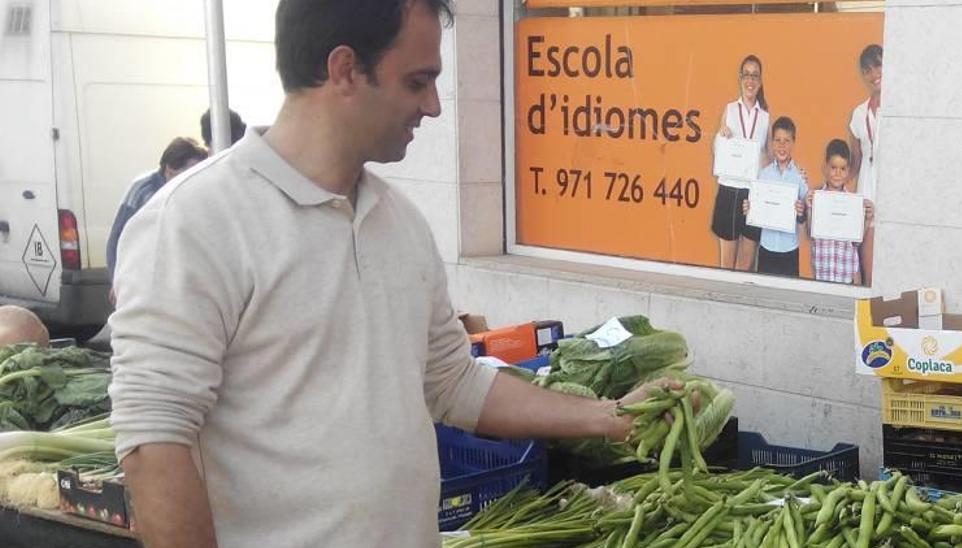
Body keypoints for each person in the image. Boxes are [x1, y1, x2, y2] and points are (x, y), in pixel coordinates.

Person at [107, 2, 670, 548]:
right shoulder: (194, 222)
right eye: (417, 82)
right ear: (345, 70)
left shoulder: (400, 223)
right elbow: (153, 441)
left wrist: (614, 417)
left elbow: (454, 382)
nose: (433, 108)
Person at [104, 137, 209, 279]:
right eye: (189, 174)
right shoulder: (142, 190)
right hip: (142, 275)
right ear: (169, 170)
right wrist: (117, 280)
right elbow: (117, 239)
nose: (194, 179)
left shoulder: (197, 190)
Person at [711, 55, 771, 272]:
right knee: (726, 267)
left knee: (745, 266)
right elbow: (717, 150)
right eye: (746, 74)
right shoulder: (729, 110)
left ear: (760, 80)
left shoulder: (765, 117)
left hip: (752, 193)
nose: (750, 80)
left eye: (755, 76)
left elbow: (766, 158)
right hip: (728, 190)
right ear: (740, 78)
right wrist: (721, 136)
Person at [742, 117, 807, 277]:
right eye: (777, 140)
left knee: (789, 297)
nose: (782, 145)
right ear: (771, 143)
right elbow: (755, 213)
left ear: (793, 143)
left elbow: (804, 217)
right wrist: (749, 210)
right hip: (766, 248)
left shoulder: (800, 177)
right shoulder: (763, 175)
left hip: (790, 250)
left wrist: (801, 212)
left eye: (786, 140)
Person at [807, 140, 874, 285]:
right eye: (834, 167)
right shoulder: (817, 198)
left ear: (848, 170)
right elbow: (810, 234)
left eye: (842, 169)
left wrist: (867, 219)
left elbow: (856, 242)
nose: (837, 173)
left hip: (847, 275)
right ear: (825, 167)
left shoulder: (853, 203)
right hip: (823, 273)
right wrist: (810, 208)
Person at [849, 44, 882, 285]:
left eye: (878, 66)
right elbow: (853, 165)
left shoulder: (902, 109)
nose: (874, 75)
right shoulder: (859, 114)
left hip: (892, 200)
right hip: (866, 199)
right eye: (867, 70)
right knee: (868, 275)